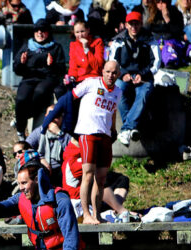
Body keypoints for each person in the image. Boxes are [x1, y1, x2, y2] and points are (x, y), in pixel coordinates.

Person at [72, 60, 121, 225]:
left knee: (101, 179)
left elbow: (113, 111)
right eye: (108, 72)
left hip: (105, 135)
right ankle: (86, 214)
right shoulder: (91, 83)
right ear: (103, 71)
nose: (110, 75)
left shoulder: (118, 92)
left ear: (118, 74)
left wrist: (113, 130)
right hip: (88, 133)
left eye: (114, 73)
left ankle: (97, 215)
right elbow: (71, 97)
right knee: (88, 175)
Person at [13, 19, 66, 140]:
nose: (40, 33)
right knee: (21, 98)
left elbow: (61, 69)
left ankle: (23, 117)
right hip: (29, 77)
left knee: (40, 92)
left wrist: (52, 64)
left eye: (43, 30)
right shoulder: (28, 46)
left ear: (48, 32)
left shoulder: (55, 47)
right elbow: (17, 69)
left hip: (48, 78)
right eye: (37, 30)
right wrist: (21, 63)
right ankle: (20, 129)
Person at [112, 12, 155, 146]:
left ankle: (125, 129)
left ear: (141, 24)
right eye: (131, 24)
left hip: (144, 77)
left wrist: (142, 74)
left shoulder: (150, 40)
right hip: (124, 76)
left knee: (144, 91)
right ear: (126, 25)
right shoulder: (118, 41)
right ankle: (132, 128)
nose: (133, 27)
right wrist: (122, 74)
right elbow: (113, 61)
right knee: (118, 89)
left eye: (136, 23)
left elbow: (156, 62)